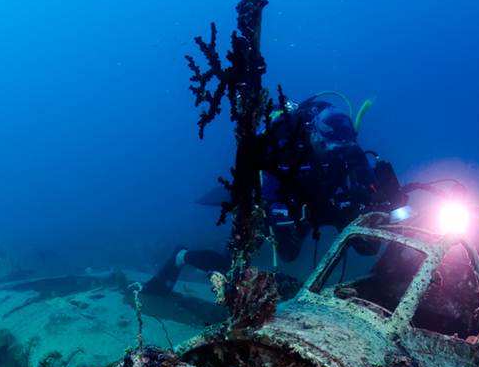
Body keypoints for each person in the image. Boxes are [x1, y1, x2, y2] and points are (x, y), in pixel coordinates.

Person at [144, 94, 407, 296]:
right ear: (314, 133)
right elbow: (268, 192)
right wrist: (285, 213)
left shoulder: (349, 149)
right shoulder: (286, 146)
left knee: (367, 245)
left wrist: (386, 201)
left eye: (341, 150)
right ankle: (182, 255)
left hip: (322, 204)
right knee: (237, 265)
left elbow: (372, 190)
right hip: (283, 208)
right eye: (328, 147)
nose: (334, 154)